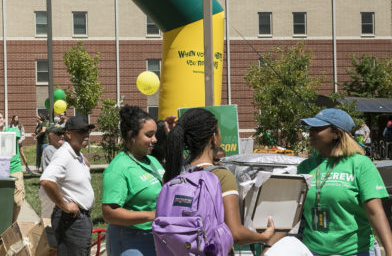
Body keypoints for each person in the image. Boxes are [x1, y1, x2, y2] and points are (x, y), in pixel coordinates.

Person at [271, 108, 392, 256]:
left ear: (336, 133)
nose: (311, 132)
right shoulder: (305, 167)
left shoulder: (360, 164)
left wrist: (389, 250)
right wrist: (268, 246)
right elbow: (293, 213)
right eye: (310, 128)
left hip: (354, 251)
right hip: (313, 250)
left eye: (318, 128)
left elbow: (375, 212)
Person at [164, 108, 275, 246]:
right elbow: (235, 234)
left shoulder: (175, 171)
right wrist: (263, 236)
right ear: (213, 137)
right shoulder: (221, 176)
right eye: (218, 130)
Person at [102, 105, 164, 256]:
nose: (154, 140)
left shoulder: (151, 160)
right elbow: (109, 213)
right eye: (149, 135)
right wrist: (151, 215)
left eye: (155, 134)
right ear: (132, 136)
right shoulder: (119, 168)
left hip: (154, 237)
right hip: (130, 242)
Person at [40, 115, 95, 256]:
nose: (86, 135)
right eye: (81, 131)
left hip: (79, 219)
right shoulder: (63, 155)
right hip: (71, 220)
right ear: (68, 134)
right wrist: (64, 205)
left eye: (87, 131)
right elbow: (46, 180)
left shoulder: (76, 154)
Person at [0, 111, 26, 221]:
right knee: (0, 200)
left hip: (14, 168)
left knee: (17, 201)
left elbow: (10, 138)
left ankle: (12, 223)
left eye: (0, 118)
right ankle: (2, 224)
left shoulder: (13, 131)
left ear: (4, 119)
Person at [39, 123, 65, 219]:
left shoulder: (62, 149)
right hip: (50, 191)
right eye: (58, 133)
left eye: (63, 133)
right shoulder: (49, 150)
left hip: (59, 190)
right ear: (50, 135)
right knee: (48, 219)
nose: (62, 135)